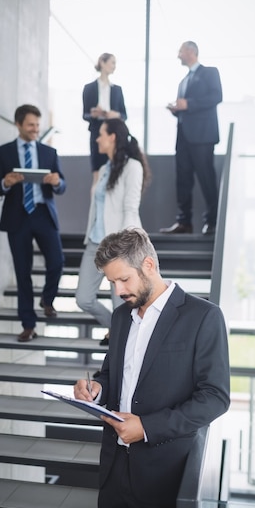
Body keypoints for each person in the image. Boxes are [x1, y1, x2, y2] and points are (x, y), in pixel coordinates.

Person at [74, 227, 230, 508]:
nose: (118, 291)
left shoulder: (203, 317)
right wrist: (97, 388)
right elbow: (113, 375)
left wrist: (146, 427)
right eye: (112, 283)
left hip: (160, 474)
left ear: (148, 264)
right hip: (114, 469)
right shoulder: (120, 316)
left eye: (124, 280)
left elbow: (215, 397)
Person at [0, 104, 66, 342]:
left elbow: (62, 185)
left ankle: (47, 298)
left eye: (37, 125)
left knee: (57, 261)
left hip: (43, 213)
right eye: (31, 125)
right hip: (17, 216)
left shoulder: (48, 152)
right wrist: (6, 182)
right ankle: (28, 325)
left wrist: (56, 182)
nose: (36, 129)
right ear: (18, 125)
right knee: (22, 272)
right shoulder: (2, 153)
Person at [75, 119, 150, 346]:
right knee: (83, 299)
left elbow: (130, 208)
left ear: (112, 137)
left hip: (117, 246)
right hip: (94, 243)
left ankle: (122, 339)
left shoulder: (133, 167)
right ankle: (115, 328)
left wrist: (124, 247)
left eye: (101, 134)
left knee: (121, 303)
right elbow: (97, 209)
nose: (97, 138)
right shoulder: (104, 169)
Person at [160, 41, 222, 236]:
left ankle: (212, 222)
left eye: (180, 51)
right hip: (183, 138)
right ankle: (183, 222)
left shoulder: (209, 72)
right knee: (183, 180)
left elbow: (216, 97)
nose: (178, 55)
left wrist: (188, 104)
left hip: (203, 137)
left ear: (191, 51)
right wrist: (176, 110)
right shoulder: (183, 81)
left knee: (206, 179)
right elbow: (185, 110)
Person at [83, 52, 127, 185]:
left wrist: (116, 115)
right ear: (102, 62)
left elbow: (124, 115)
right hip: (97, 134)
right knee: (97, 174)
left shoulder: (117, 90)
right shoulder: (89, 88)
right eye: (112, 62)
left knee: (115, 174)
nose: (114, 66)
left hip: (114, 134)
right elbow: (85, 114)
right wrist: (94, 114)